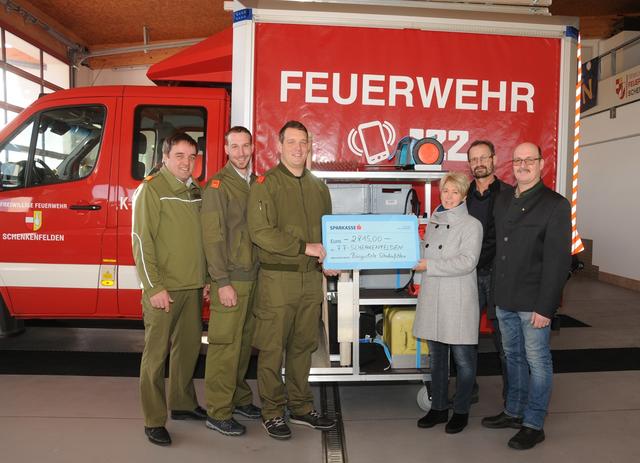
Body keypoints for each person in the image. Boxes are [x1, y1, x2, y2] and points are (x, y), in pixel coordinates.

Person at [247, 120, 337, 440]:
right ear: (279, 146)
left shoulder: (318, 186)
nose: (299, 148)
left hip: (311, 281)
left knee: (303, 346)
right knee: (272, 349)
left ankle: (300, 406)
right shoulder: (265, 184)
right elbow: (261, 233)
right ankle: (271, 412)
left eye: (304, 142)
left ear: (310, 145)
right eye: (292, 142)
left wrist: (330, 260)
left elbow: (327, 231)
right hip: (277, 281)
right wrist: (303, 248)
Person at [481, 142, 571, 450]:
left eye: (529, 160)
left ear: (541, 164)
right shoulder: (503, 200)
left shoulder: (555, 205)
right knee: (513, 358)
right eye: (517, 160)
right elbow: (499, 251)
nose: (522, 165)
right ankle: (514, 411)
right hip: (505, 297)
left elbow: (558, 262)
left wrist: (546, 306)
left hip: (533, 303)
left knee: (538, 361)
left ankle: (533, 423)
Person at [132, 132, 208, 447]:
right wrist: (154, 287)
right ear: (164, 157)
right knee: (156, 356)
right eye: (179, 155)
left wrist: (205, 278)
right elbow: (141, 241)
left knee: (188, 350)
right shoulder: (151, 189)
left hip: (192, 286)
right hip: (164, 290)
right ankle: (153, 419)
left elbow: (200, 239)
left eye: (192, 157)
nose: (186, 162)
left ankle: (183, 403)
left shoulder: (195, 191)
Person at [201, 126, 262, 436]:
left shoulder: (255, 183)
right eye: (234, 147)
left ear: (253, 148)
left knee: (242, 345)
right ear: (226, 149)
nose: (240, 152)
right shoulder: (217, 186)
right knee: (225, 346)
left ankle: (238, 399)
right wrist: (221, 281)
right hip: (232, 279)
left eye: (245, 146)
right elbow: (213, 238)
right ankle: (218, 410)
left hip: (253, 277)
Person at [413, 171, 483, 434]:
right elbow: (424, 252)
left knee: (464, 361)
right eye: (445, 191)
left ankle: (461, 410)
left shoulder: (472, 225)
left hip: (458, 299)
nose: (450, 196)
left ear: (464, 195)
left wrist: (428, 264)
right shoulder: (434, 221)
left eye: (455, 192)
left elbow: (467, 262)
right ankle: (439, 408)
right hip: (433, 297)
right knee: (438, 359)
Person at [466, 140, 513, 402]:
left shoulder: (509, 194)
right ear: (469, 164)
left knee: (505, 342)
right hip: (469, 276)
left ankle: (511, 397)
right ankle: (467, 390)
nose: (479, 163)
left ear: (494, 159)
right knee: (466, 338)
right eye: (474, 159)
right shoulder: (462, 196)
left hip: (499, 277)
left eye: (484, 157)